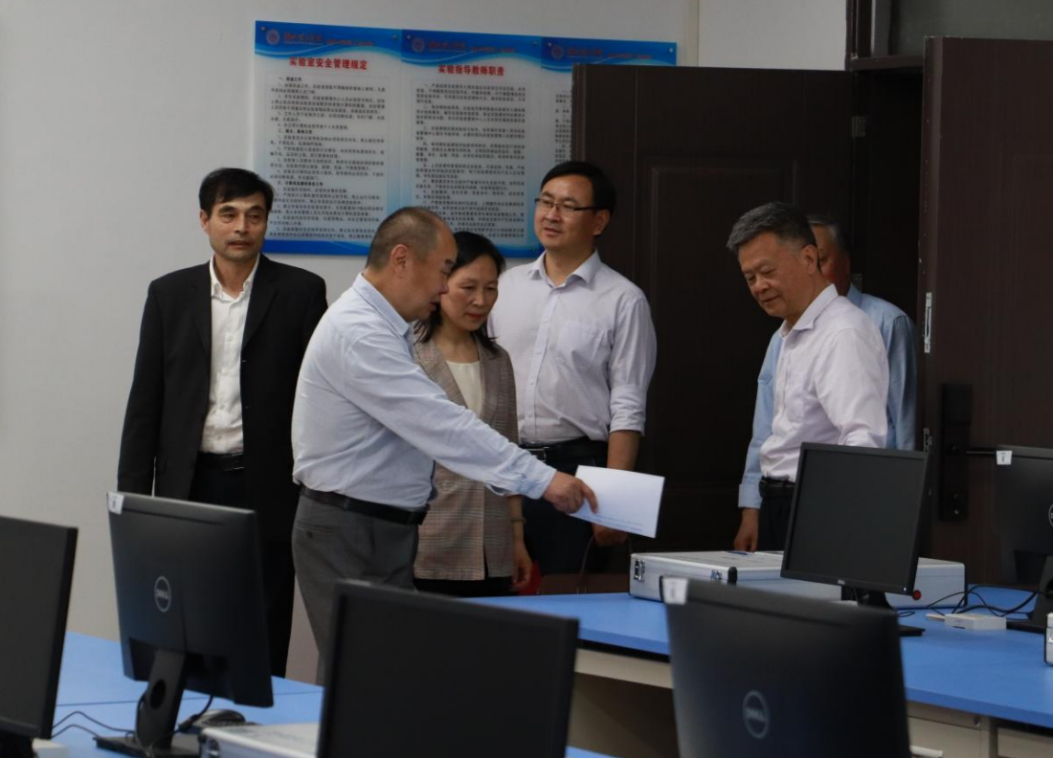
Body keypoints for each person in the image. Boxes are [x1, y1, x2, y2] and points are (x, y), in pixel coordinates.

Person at [291, 207, 595, 669]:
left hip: (379, 528)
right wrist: (544, 480)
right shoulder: (359, 332)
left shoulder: (384, 326)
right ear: (401, 259)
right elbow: (442, 424)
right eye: (444, 271)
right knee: (361, 672)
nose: (443, 287)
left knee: (379, 674)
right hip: (351, 529)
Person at [118, 167, 328, 676]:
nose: (242, 227)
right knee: (183, 620)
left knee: (263, 624)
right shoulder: (169, 294)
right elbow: (145, 402)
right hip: (189, 484)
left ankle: (257, 721)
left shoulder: (301, 292)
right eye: (228, 214)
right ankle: (186, 718)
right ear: (204, 220)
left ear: (266, 222)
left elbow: (321, 399)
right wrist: (133, 502)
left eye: (255, 216)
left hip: (269, 486)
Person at [489, 161, 657, 576]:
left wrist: (614, 504)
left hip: (578, 470)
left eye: (567, 206)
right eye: (545, 202)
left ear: (599, 221)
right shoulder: (504, 288)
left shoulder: (624, 299)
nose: (551, 215)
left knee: (567, 596)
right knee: (495, 597)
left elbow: (628, 405)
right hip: (503, 466)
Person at [735, 214, 918, 551]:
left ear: (809, 259)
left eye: (768, 271)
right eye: (750, 278)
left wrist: (834, 526)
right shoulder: (789, 332)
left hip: (820, 508)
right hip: (781, 500)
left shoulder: (843, 332)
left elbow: (862, 441)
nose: (759, 286)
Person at [412, 231, 531, 597]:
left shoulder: (498, 361)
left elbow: (509, 451)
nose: (481, 301)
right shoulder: (407, 355)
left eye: (491, 288)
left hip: (492, 544)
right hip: (428, 539)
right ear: (440, 283)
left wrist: (517, 537)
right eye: (468, 287)